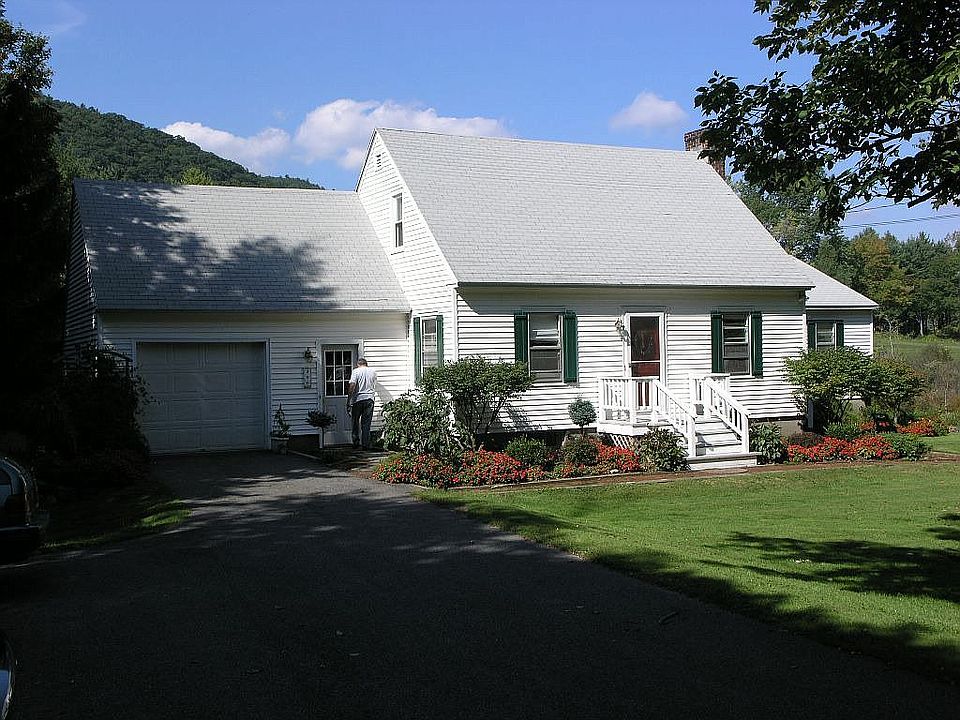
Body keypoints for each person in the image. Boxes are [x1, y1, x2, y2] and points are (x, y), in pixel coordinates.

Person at [346, 357, 377, 450]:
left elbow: (352, 385)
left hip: (358, 399)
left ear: (358, 364)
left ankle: (356, 442)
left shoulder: (356, 371)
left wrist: (349, 400)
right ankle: (365, 444)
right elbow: (374, 385)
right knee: (366, 423)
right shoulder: (373, 372)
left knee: (355, 422)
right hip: (369, 399)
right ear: (366, 364)